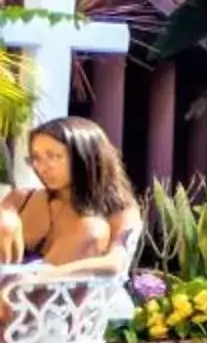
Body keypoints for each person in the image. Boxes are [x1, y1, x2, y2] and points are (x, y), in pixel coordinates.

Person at [0, 116, 144, 278]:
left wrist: (40, 276)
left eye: (54, 156)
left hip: (65, 296)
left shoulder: (119, 210)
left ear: (85, 156)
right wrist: (6, 217)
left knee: (92, 229)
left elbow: (116, 262)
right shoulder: (21, 199)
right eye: (36, 158)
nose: (42, 167)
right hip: (7, 293)